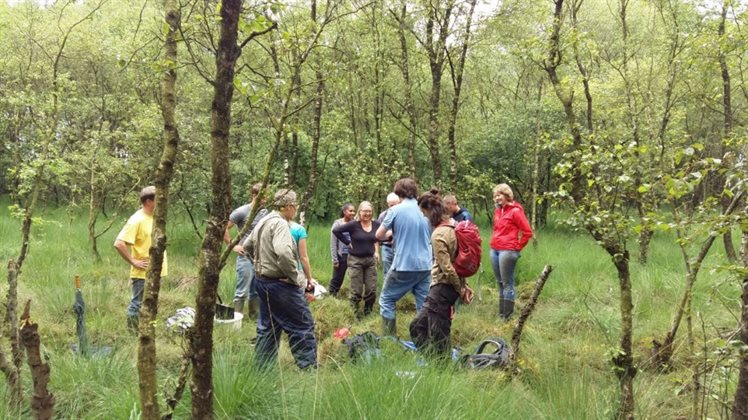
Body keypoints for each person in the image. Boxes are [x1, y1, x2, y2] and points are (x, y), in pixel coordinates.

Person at [244, 189, 317, 370]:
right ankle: (308, 369)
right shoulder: (280, 224)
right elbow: (284, 253)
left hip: (262, 282)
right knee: (302, 324)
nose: (296, 209)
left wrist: (259, 266)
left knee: (269, 326)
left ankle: (263, 369)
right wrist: (295, 278)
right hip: (280, 285)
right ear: (290, 207)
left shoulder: (263, 221)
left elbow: (246, 247)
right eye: (296, 206)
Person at [410, 189, 473, 359]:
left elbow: (448, 268)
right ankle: (432, 361)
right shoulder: (454, 225)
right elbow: (459, 261)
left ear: (431, 212)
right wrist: (463, 284)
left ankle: (441, 367)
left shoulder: (439, 234)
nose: (424, 217)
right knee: (417, 326)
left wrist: (461, 288)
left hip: (442, 288)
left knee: (440, 336)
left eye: (424, 213)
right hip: (446, 287)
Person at [375, 178, 432, 336]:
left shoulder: (395, 210)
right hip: (426, 265)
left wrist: (391, 233)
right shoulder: (426, 210)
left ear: (398, 192)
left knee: (386, 299)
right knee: (423, 305)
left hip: (404, 264)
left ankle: (389, 340)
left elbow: (379, 235)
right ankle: (424, 340)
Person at [114, 186, 168, 332]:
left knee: (152, 303)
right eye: (158, 199)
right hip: (142, 272)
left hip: (156, 270)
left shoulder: (156, 218)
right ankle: (132, 334)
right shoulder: (136, 220)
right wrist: (133, 261)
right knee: (137, 304)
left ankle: (148, 331)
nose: (162, 202)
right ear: (149, 201)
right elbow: (119, 243)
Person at [224, 182, 268, 318]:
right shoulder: (242, 211)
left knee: (255, 290)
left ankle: (254, 317)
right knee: (242, 291)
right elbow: (224, 227)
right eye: (262, 197)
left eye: (266, 198)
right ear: (253, 195)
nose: (264, 200)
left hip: (259, 257)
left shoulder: (265, 212)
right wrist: (232, 245)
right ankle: (236, 319)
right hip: (245, 256)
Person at [491, 183, 533, 320]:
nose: (497, 198)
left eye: (499, 195)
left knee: (507, 284)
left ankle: (507, 318)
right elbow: (496, 229)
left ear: (507, 195)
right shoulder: (498, 211)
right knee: (500, 283)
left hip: (508, 250)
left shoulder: (515, 211)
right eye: (495, 196)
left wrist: (517, 247)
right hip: (495, 249)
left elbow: (527, 232)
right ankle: (501, 314)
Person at [333, 201, 381, 318]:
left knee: (371, 289)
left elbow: (378, 238)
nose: (367, 213)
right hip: (355, 261)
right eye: (365, 211)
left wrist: (377, 252)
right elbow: (336, 231)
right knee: (356, 290)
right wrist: (347, 242)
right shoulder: (354, 225)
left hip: (370, 260)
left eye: (369, 211)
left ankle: (368, 313)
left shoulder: (376, 225)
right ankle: (354, 314)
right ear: (359, 212)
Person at [328, 203, 355, 296]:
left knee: (354, 277)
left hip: (353, 255)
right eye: (350, 211)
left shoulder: (354, 223)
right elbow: (333, 243)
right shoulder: (338, 224)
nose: (353, 213)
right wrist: (335, 259)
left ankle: (352, 295)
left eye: (354, 211)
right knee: (338, 277)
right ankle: (332, 295)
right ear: (344, 211)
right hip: (342, 255)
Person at [376, 192, 401, 281]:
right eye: (391, 205)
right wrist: (377, 252)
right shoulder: (383, 216)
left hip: (400, 248)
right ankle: (387, 293)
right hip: (387, 247)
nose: (394, 207)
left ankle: (400, 293)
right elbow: (377, 236)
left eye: (396, 205)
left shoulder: (403, 215)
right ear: (388, 204)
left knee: (400, 272)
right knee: (388, 272)